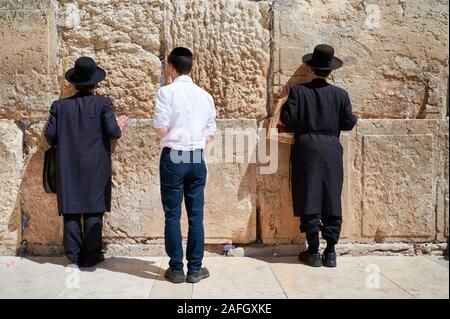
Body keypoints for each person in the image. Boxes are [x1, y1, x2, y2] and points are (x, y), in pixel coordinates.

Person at [45, 57, 129, 267]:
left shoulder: (59, 106)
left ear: (74, 83)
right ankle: (92, 255)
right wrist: (119, 126)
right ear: (95, 83)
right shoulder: (103, 103)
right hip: (96, 165)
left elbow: (50, 135)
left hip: (68, 166)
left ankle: (73, 255)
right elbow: (112, 132)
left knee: (71, 210)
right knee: (94, 209)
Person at [279, 44, 357, 267]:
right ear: (330, 71)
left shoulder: (298, 92)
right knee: (332, 197)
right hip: (332, 149)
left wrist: (284, 101)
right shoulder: (341, 95)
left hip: (306, 149)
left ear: (311, 68)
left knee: (309, 195)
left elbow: (288, 120)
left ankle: (313, 251)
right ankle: (330, 252)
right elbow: (348, 123)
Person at [154, 47, 216, 284]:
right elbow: (210, 133)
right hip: (195, 157)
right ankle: (196, 269)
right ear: (191, 67)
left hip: (174, 156)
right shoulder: (205, 96)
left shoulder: (165, 93)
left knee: (172, 215)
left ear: (170, 66)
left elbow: (161, 129)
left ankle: (177, 269)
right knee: (195, 215)